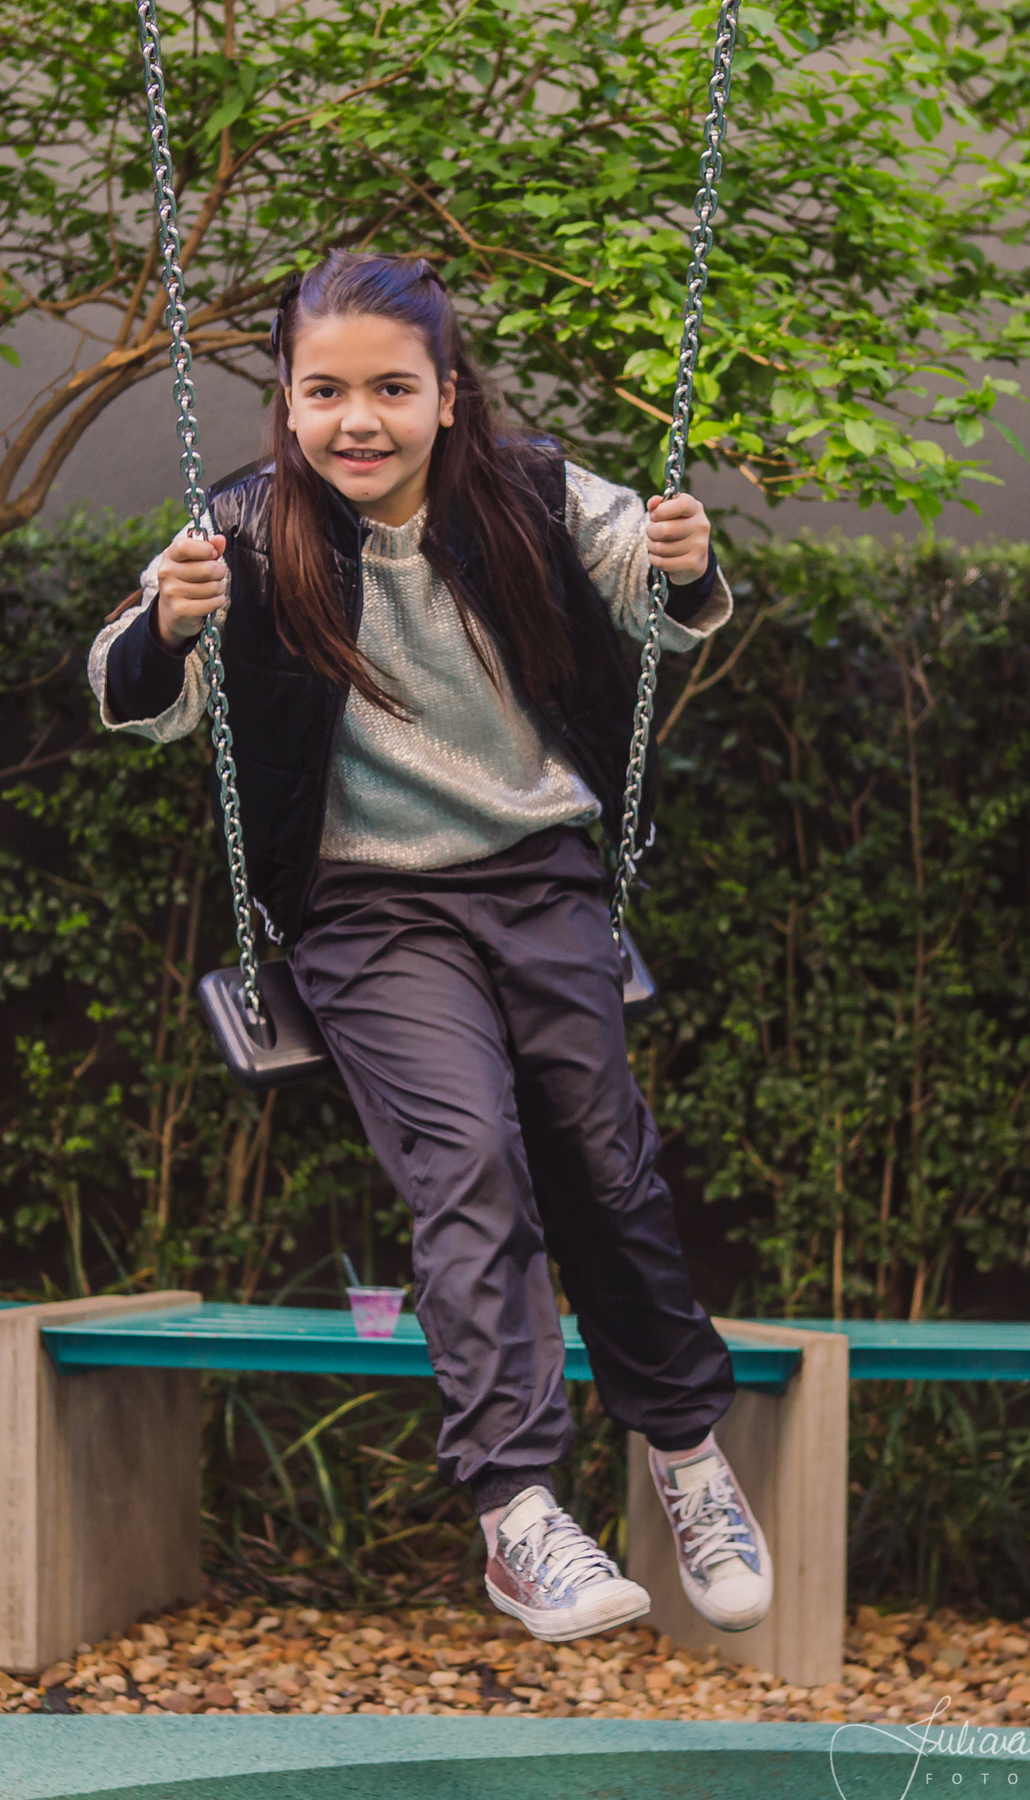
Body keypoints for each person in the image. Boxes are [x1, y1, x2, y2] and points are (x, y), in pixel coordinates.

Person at [88, 250, 772, 1645]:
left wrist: (688, 561)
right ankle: (518, 1513)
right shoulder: (241, 531)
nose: (359, 421)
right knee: (468, 1156)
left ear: (448, 395)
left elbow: (659, 597)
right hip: (366, 905)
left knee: (603, 1157)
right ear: (287, 401)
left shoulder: (532, 492)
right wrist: (166, 621)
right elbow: (131, 692)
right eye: (324, 392)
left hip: (541, 875)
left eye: (393, 389)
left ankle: (687, 1454)